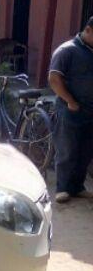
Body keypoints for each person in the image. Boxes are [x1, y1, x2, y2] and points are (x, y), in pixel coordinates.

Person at [48, 16, 93, 203]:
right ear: (88, 30)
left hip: (90, 109)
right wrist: (70, 101)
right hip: (70, 109)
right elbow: (54, 79)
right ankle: (63, 188)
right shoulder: (67, 50)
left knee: (85, 150)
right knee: (67, 149)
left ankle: (77, 186)